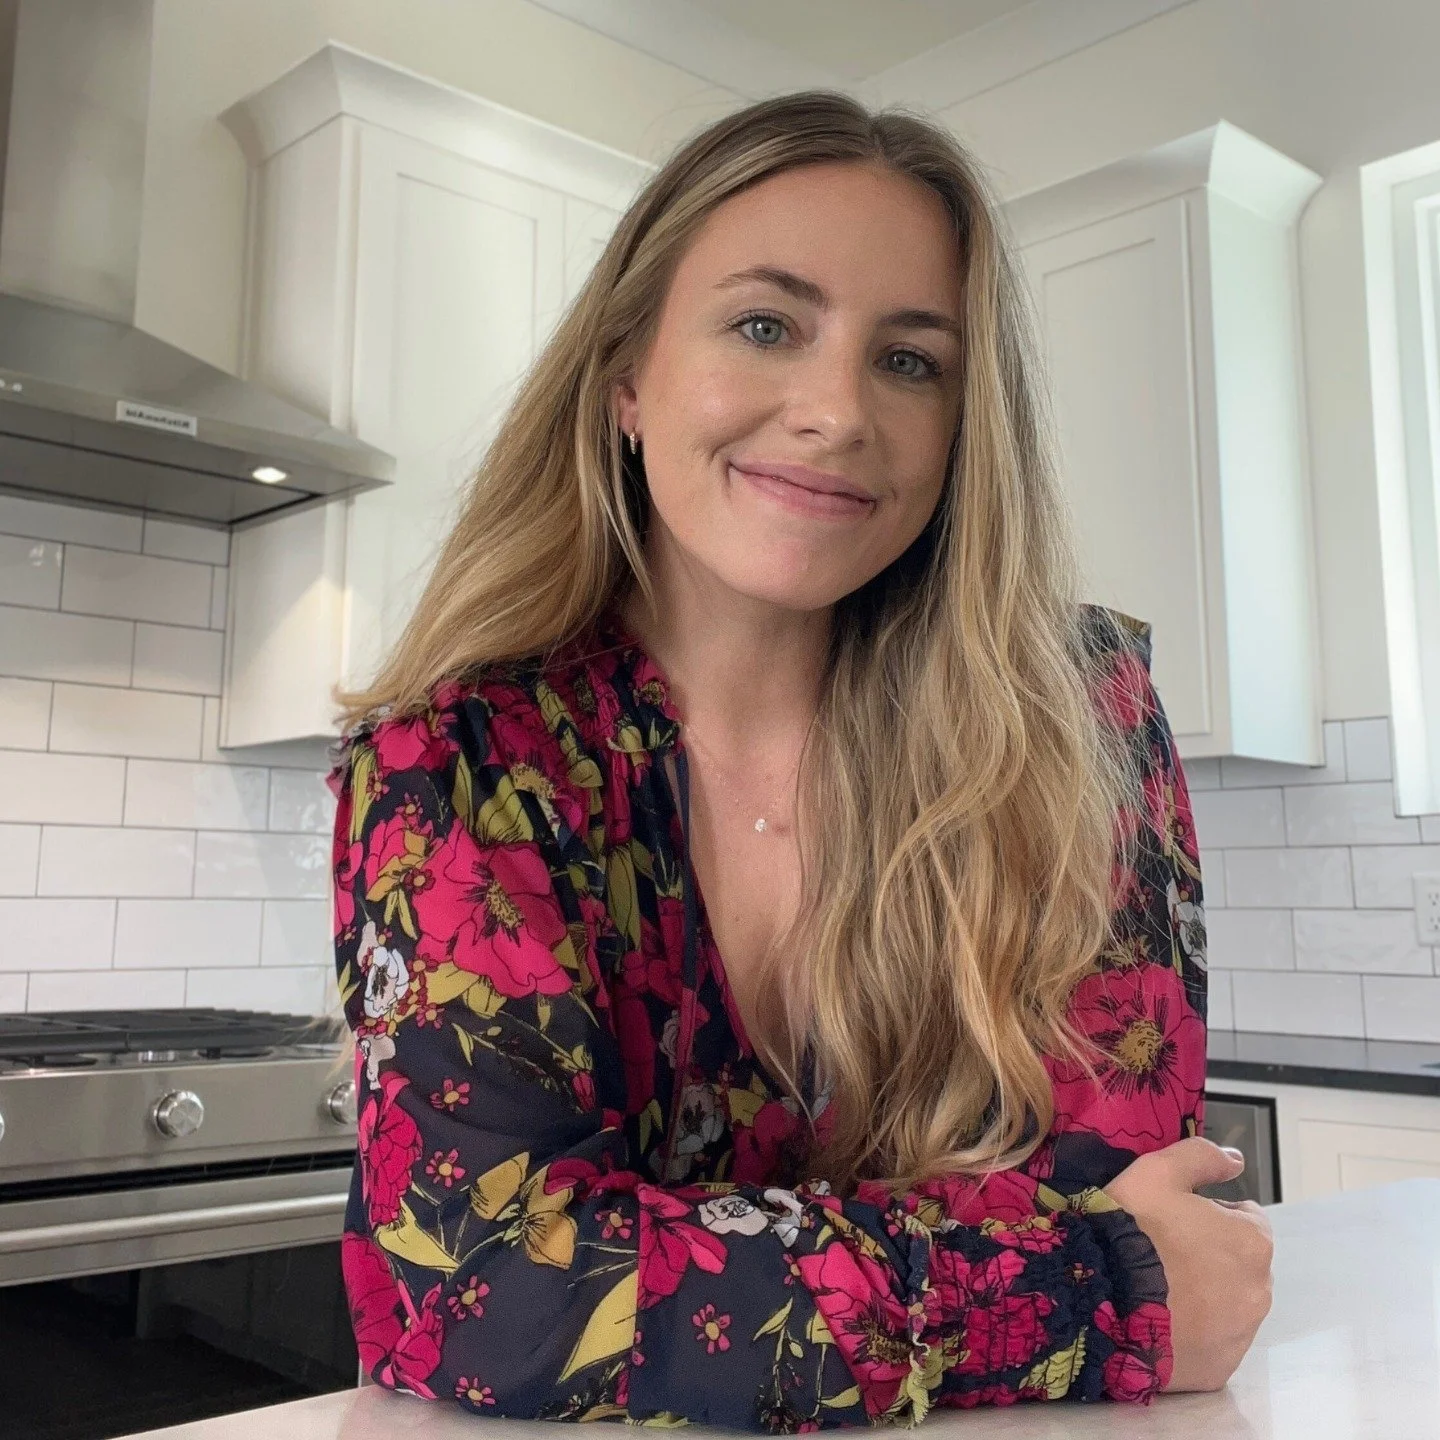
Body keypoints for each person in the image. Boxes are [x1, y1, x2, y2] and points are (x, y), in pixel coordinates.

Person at [327, 89, 1272, 1430]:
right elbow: (494, 1298)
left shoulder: (1077, 715)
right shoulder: (464, 758)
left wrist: (662, 1257)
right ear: (627, 384)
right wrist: (1092, 1288)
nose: (836, 413)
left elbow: (1121, 1188)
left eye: (910, 360)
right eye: (767, 326)